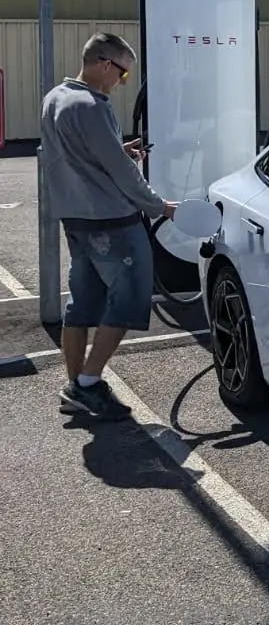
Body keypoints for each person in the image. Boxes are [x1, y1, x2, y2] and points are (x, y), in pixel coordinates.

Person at [39, 31, 178, 420]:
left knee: (82, 300)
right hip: (112, 221)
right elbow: (119, 172)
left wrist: (120, 149)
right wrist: (159, 206)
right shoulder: (92, 106)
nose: (121, 83)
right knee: (129, 296)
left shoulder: (56, 98)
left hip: (76, 218)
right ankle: (88, 382)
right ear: (104, 64)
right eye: (124, 74)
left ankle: (76, 386)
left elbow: (81, 154)